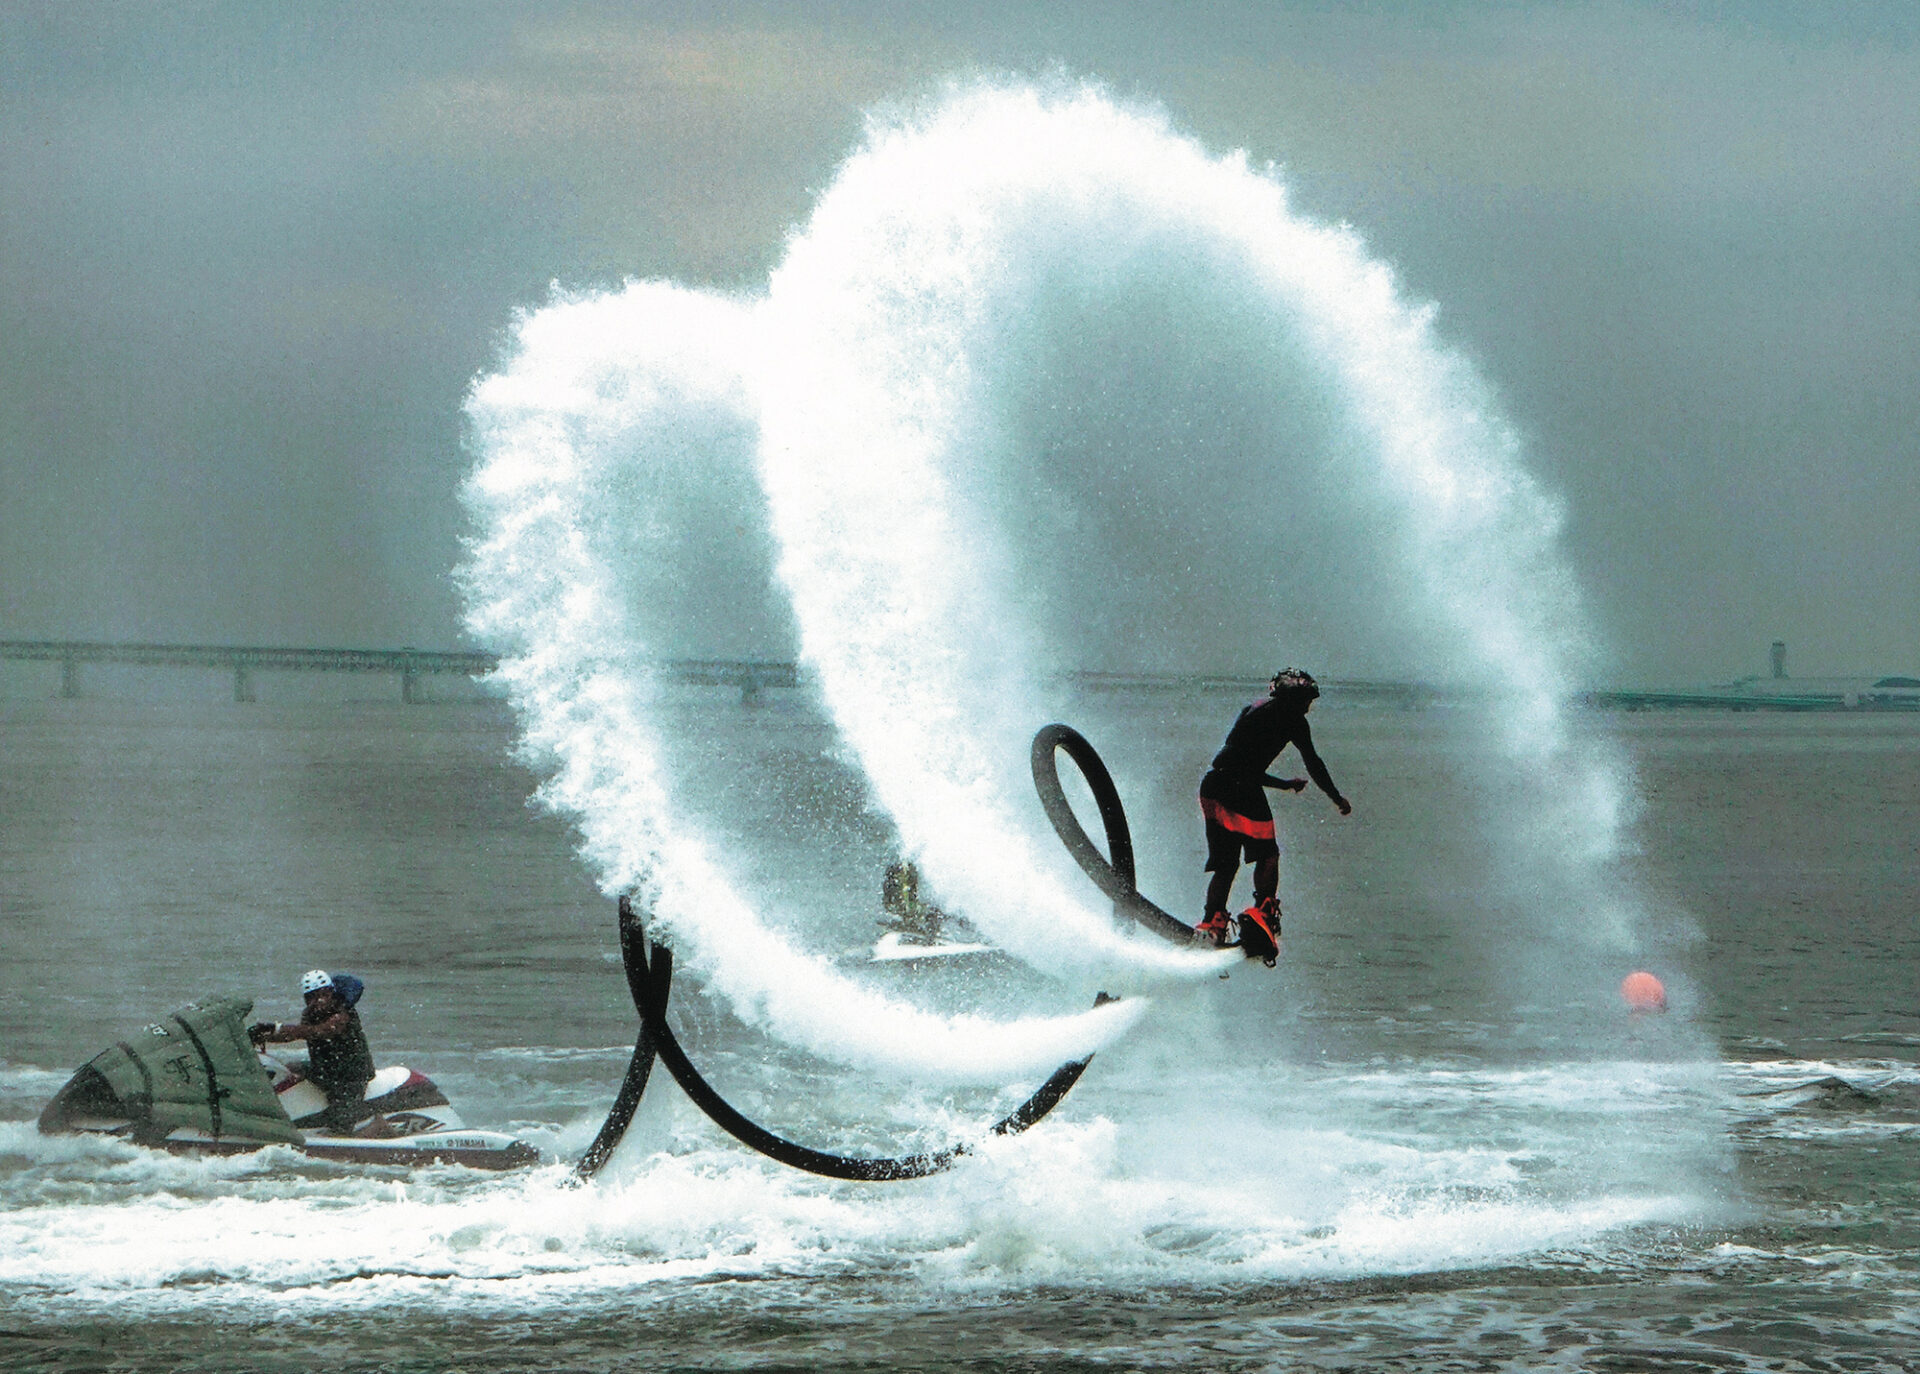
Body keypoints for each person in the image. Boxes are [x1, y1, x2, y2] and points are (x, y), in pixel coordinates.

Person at [1196, 668, 1351, 963]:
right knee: (1268, 855)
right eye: (1306, 701)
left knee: (1226, 864)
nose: (1308, 707)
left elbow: (1234, 762)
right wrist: (1336, 797)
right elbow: (1313, 763)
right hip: (1241, 789)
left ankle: (1212, 923)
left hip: (1213, 786)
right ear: (1294, 700)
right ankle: (1263, 913)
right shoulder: (1292, 719)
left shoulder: (1253, 709)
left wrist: (1284, 784)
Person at [249, 970, 377, 1133]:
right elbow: (295, 1034)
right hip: (325, 1069)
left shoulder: (343, 1013)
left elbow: (318, 1031)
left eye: (323, 995)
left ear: (331, 993)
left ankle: (375, 1127)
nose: (318, 1001)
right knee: (288, 1070)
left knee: (340, 1126)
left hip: (350, 1076)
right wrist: (265, 1035)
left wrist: (278, 1028)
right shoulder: (310, 1014)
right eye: (311, 997)